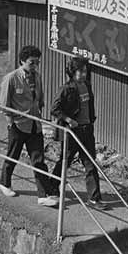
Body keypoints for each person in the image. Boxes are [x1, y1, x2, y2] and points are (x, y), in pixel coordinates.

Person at [0, 45, 58, 206]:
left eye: (37, 62)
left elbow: (40, 98)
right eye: (32, 63)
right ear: (22, 61)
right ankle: (4, 182)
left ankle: (43, 194)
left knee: (38, 159)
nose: (35, 66)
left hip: (34, 124)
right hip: (18, 123)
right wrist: (10, 121)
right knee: (13, 154)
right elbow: (4, 104)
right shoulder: (11, 78)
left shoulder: (37, 77)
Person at [51, 56, 104, 206]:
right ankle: (52, 185)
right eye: (80, 72)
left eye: (85, 72)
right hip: (73, 131)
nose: (83, 75)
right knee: (65, 161)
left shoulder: (87, 85)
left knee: (90, 164)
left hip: (87, 130)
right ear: (73, 73)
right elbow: (54, 109)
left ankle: (94, 198)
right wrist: (68, 120)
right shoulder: (66, 89)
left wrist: (91, 120)